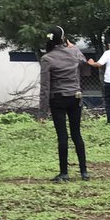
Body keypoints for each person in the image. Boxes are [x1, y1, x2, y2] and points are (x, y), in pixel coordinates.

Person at [38, 26, 90, 182]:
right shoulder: (73, 53)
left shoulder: (47, 58)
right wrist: (73, 46)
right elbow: (85, 63)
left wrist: (42, 111)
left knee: (62, 136)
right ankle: (84, 172)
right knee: (76, 134)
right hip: (75, 97)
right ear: (63, 38)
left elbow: (45, 86)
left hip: (58, 99)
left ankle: (64, 173)